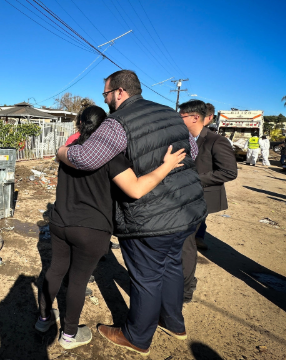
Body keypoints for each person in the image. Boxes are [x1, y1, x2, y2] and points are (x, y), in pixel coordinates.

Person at [57, 70, 207, 356]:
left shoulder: (117, 122)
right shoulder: (169, 113)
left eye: (106, 95)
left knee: (147, 277)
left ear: (120, 92)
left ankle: (137, 336)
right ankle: (174, 323)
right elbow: (194, 152)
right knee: (172, 267)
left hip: (152, 217)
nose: (106, 100)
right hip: (189, 210)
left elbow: (87, 158)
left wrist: (62, 152)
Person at [36, 106, 187, 350]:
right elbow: (136, 189)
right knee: (77, 280)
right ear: (105, 128)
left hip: (60, 223)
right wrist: (166, 166)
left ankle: (43, 319)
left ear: (79, 125)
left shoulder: (70, 152)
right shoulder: (112, 157)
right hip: (91, 230)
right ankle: (69, 336)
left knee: (55, 270)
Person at [178, 100, 238, 301]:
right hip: (183, 198)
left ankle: (185, 290)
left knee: (186, 243)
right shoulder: (184, 138)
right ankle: (186, 282)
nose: (179, 119)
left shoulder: (216, 140)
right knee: (182, 242)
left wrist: (195, 177)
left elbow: (229, 172)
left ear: (195, 117)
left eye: (182, 116)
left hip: (201, 199)